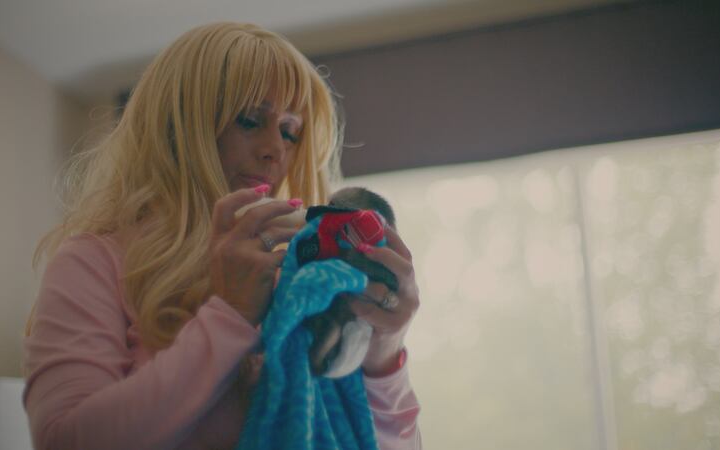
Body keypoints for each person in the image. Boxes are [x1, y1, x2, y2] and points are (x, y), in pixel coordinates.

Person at [22, 22, 421, 449]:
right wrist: (230, 315)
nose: (275, 150)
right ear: (179, 127)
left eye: (290, 131)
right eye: (249, 120)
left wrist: (384, 352)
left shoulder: (299, 275)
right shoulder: (94, 262)